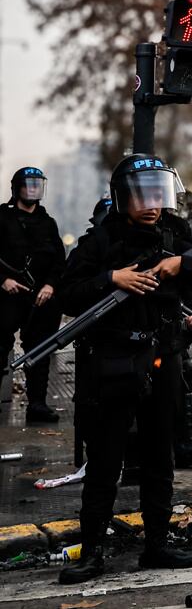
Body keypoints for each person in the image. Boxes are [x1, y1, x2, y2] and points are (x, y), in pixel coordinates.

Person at [56, 155, 192, 584]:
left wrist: (183, 264)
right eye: (141, 194)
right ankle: (92, 552)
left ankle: (157, 543)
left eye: (158, 192)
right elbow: (67, 295)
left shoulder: (176, 233)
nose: (151, 203)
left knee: (161, 456)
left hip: (165, 358)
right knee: (105, 460)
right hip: (114, 362)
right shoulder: (100, 241)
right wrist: (111, 279)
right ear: (122, 197)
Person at [0, 168, 66, 424]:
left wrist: (50, 285)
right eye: (28, 185)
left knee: (40, 351)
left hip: (40, 297)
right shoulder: (3, 217)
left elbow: (59, 260)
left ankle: (37, 404)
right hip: (7, 295)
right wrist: (3, 280)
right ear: (17, 188)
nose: (32, 190)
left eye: (37, 185)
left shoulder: (47, 223)